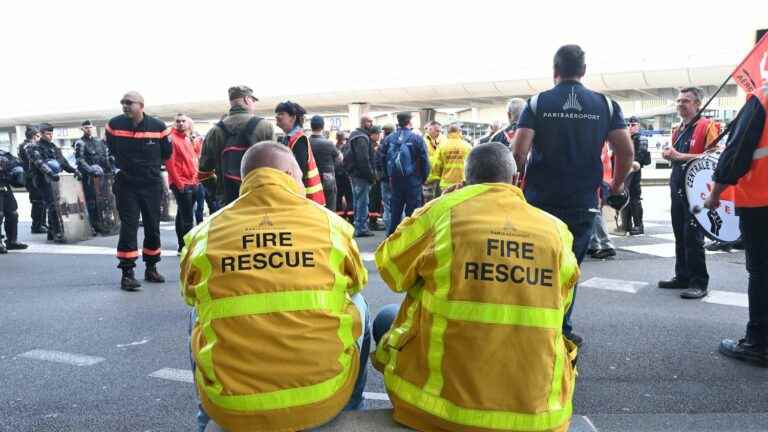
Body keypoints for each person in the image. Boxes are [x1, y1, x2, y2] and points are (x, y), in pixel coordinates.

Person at [373, 143, 579, 432]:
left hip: (438, 411)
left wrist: (432, 209)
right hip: (539, 416)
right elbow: (563, 301)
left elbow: (389, 269)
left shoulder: (443, 213)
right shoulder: (556, 230)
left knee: (386, 317)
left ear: (466, 180)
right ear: (515, 178)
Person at [181, 141, 370, 432]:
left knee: (199, 311)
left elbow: (189, 292)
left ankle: (206, 418)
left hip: (233, 409)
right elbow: (358, 280)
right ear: (290, 174)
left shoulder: (205, 232)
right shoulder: (330, 224)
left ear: (247, 179)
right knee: (358, 302)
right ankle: (351, 408)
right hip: (323, 398)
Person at [512, 44, 633, 346]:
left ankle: (531, 325)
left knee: (535, 264)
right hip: (582, 201)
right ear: (583, 71)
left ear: (555, 71)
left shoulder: (538, 103)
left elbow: (518, 151)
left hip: (539, 200)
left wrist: (514, 186)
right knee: (569, 266)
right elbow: (625, 150)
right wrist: (616, 186)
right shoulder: (605, 105)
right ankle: (561, 329)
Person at [703, 82, 768, 367]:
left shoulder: (762, 99)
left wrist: (715, 193)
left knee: (763, 272)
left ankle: (758, 343)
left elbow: (738, 151)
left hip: (762, 200)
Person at [106, 91, 172, 291]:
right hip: (126, 184)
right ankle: (127, 273)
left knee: (152, 226)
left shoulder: (158, 127)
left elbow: (167, 153)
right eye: (123, 103)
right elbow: (112, 149)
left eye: (129, 103)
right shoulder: (114, 125)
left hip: (151, 184)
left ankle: (151, 268)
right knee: (129, 226)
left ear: (141, 105)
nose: (125, 106)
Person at [658, 87, 719, 299]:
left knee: (693, 235)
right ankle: (682, 275)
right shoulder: (677, 129)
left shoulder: (708, 126)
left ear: (697, 104)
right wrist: (670, 155)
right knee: (679, 232)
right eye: (678, 101)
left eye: (686, 101)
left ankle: (699, 282)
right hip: (677, 185)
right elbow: (677, 155)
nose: (680, 104)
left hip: (697, 189)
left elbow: (713, 157)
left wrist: (680, 156)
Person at [198, 86, 273, 206]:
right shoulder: (265, 126)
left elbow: (203, 172)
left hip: (227, 201)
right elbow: (275, 167)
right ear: (247, 99)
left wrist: (217, 192)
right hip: (259, 198)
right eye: (253, 101)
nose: (254, 104)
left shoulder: (214, 131)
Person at [28, 123, 78, 243]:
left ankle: (52, 232)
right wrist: (50, 173)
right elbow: (40, 163)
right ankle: (57, 232)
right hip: (43, 180)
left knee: (58, 204)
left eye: (51, 134)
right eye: (47, 134)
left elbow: (63, 163)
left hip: (55, 179)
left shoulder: (53, 147)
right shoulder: (34, 147)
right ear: (41, 134)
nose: (50, 136)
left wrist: (75, 170)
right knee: (53, 205)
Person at [380, 112, 430, 235]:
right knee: (412, 212)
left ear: (398, 121)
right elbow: (424, 160)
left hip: (395, 181)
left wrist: (388, 177)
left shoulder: (389, 139)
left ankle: (392, 236)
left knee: (395, 211)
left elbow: (380, 159)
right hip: (413, 180)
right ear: (409, 122)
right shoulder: (417, 138)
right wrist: (423, 178)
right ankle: (411, 237)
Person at [274, 101, 325, 205]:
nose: (277, 117)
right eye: (277, 113)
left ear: (292, 118)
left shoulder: (299, 140)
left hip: (305, 198)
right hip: (299, 196)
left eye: (281, 114)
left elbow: (299, 171)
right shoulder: (287, 139)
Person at [166, 114, 200, 253]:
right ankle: (187, 247)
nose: (180, 123)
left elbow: (194, 157)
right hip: (182, 183)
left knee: (182, 215)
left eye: (183, 121)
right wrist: (179, 183)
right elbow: (170, 163)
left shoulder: (187, 138)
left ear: (188, 124)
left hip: (191, 181)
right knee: (187, 218)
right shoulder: (172, 139)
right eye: (178, 121)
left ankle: (183, 246)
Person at [73, 119, 113, 235]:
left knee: (105, 200)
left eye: (90, 127)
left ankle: (103, 222)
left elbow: (105, 158)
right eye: (86, 128)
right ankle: (93, 225)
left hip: (102, 177)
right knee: (91, 202)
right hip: (89, 178)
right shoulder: (80, 143)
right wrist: (90, 170)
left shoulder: (99, 141)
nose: (89, 129)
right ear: (82, 129)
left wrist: (111, 169)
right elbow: (80, 160)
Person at [345, 117, 377, 237]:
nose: (372, 124)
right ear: (365, 123)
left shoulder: (355, 135)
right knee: (363, 202)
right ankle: (361, 228)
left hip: (355, 174)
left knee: (358, 201)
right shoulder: (362, 137)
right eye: (370, 122)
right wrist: (370, 176)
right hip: (361, 175)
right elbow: (363, 159)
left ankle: (357, 226)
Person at [620, 116, 652, 235]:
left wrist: (634, 164)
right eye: (628, 125)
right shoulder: (626, 138)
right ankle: (626, 224)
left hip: (634, 170)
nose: (630, 127)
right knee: (625, 197)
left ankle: (638, 225)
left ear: (638, 126)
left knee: (634, 198)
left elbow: (641, 156)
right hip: (625, 170)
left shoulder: (640, 139)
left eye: (633, 125)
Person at [308, 115, 341, 211]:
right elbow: (340, 158)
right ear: (323, 127)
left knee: (314, 207)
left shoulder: (306, 143)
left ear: (311, 126)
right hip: (328, 177)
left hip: (311, 179)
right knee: (330, 207)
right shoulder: (328, 143)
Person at [18, 126, 46, 234]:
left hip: (33, 176)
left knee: (41, 201)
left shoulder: (25, 145)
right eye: (38, 136)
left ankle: (42, 224)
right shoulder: (27, 146)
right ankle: (36, 225)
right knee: (37, 201)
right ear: (34, 136)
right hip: (31, 177)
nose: (39, 138)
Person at [0, 148, 29, 253]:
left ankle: (12, 241)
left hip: (4, 185)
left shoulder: (4, 154)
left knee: (13, 213)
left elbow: (16, 163)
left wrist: (17, 171)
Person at [431, 124, 471, 191]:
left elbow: (436, 165)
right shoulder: (467, 146)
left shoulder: (442, 146)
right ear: (459, 132)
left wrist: (433, 179)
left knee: (447, 201)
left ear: (448, 132)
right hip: (462, 184)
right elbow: (471, 165)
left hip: (446, 184)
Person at [377, 124, 396, 230]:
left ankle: (389, 231)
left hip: (385, 179)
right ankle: (399, 230)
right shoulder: (399, 142)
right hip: (397, 178)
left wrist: (380, 175)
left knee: (387, 205)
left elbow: (378, 161)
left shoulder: (382, 144)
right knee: (398, 204)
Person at [423, 120, 443, 202]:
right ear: (430, 129)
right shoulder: (423, 141)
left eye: (439, 131)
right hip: (428, 177)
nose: (438, 133)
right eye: (437, 130)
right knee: (428, 201)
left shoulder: (443, 140)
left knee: (439, 200)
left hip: (440, 177)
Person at [335, 131, 353, 219]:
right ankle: (351, 217)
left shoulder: (334, 147)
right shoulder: (347, 148)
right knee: (349, 197)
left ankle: (340, 217)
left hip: (337, 176)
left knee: (338, 197)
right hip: (346, 175)